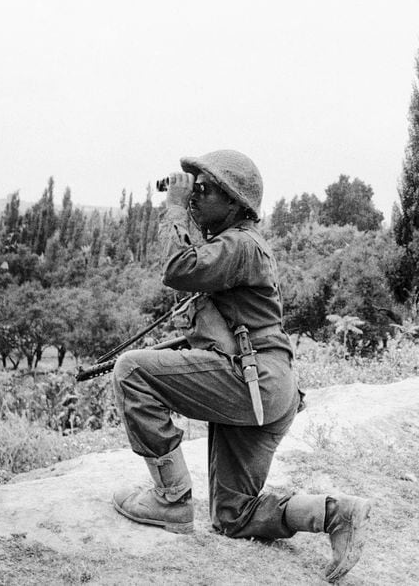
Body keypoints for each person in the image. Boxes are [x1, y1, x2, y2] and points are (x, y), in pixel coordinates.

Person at [111, 150, 370, 582]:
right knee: (234, 516)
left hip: (254, 381)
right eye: (194, 190)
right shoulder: (235, 245)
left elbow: (178, 268)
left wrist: (174, 207)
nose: (195, 197)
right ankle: (335, 514)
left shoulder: (239, 244)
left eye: (205, 190)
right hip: (265, 384)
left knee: (132, 371)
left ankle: (171, 497)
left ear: (235, 204)